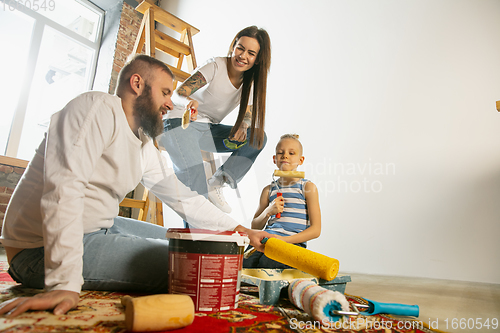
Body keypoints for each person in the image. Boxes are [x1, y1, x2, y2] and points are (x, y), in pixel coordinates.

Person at [0, 54, 269, 318]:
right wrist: (64, 284)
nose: (169, 103)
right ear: (137, 84)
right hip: (36, 251)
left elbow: (184, 198)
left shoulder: (142, 142)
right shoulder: (95, 108)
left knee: (177, 241)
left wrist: (238, 230)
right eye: (165, 92)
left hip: (98, 227)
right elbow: (63, 191)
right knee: (190, 267)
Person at [158, 26, 271, 214]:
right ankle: (193, 237)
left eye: (251, 53)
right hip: (180, 122)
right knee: (195, 186)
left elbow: (249, 115)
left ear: (257, 59)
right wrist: (189, 102)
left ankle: (219, 181)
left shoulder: (250, 83)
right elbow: (179, 93)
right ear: (233, 46)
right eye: (240, 48)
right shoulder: (216, 65)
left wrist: (244, 126)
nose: (243, 56)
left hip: (207, 129)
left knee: (257, 137)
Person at [243, 134, 321, 269]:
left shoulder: (307, 187)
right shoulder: (268, 190)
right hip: (266, 240)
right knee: (244, 263)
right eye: (280, 153)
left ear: (300, 160)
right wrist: (268, 211)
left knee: (267, 264)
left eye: (291, 153)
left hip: (293, 243)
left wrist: (284, 240)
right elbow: (255, 226)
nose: (285, 156)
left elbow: (316, 230)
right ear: (274, 159)